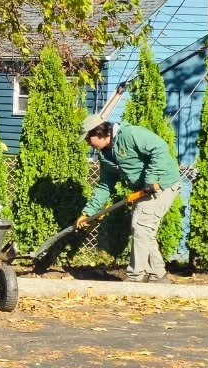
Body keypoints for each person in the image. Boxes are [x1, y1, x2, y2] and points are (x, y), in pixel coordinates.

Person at [77, 113, 182, 283]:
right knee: (143, 229)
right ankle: (158, 276)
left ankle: (135, 278)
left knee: (141, 226)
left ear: (98, 132)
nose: (88, 144)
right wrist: (88, 212)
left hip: (162, 184)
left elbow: (159, 148)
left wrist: (150, 180)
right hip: (145, 190)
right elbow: (105, 186)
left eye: (88, 139)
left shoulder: (130, 134)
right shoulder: (105, 155)